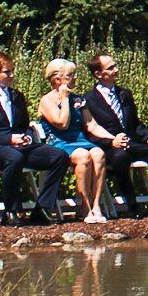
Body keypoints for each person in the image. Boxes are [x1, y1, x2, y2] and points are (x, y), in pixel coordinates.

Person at [0, 51, 57, 221]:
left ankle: (42, 208)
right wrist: (8, 140)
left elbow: (24, 126)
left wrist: (27, 137)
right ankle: (10, 211)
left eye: (12, 71)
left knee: (58, 156)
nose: (12, 75)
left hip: (19, 146)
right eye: (7, 72)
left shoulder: (17, 96)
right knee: (13, 157)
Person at [33, 60, 108, 223]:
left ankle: (97, 206)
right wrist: (65, 99)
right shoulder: (47, 101)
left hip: (79, 140)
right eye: (70, 75)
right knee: (83, 156)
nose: (75, 77)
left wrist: (113, 137)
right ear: (57, 79)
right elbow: (62, 123)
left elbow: (91, 125)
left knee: (98, 153)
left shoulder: (78, 99)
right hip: (59, 143)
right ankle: (84, 207)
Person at [80, 53, 148, 217]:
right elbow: (89, 132)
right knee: (120, 157)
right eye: (111, 68)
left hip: (132, 143)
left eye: (115, 66)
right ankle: (132, 205)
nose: (116, 70)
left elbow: (136, 123)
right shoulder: (89, 99)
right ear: (98, 74)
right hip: (111, 148)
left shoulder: (125, 94)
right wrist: (110, 142)